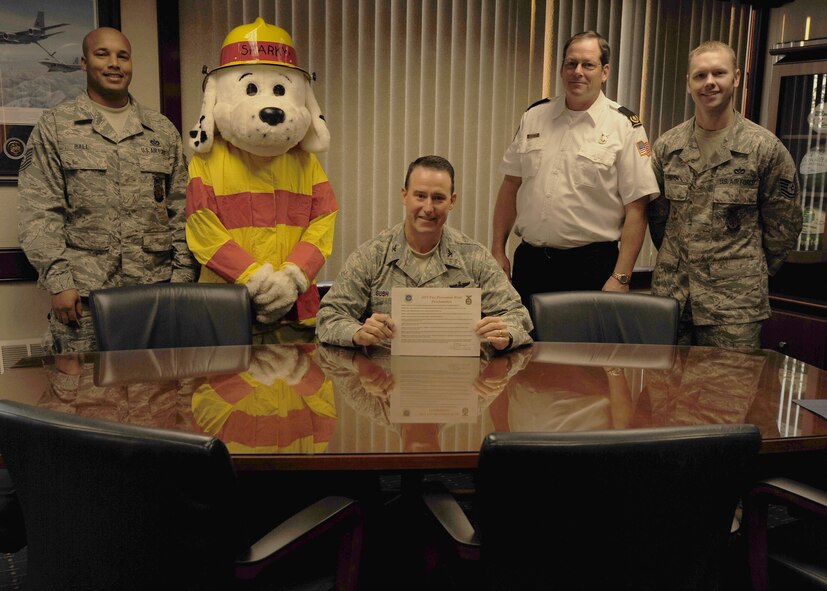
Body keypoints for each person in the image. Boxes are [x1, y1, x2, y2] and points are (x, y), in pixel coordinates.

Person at [17, 27, 196, 353]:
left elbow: (182, 209)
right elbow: (39, 210)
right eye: (103, 54)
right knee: (80, 384)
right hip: (84, 299)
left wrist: (182, 281)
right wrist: (59, 282)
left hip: (155, 293)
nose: (114, 63)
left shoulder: (161, 130)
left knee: (157, 383)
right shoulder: (57, 126)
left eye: (122, 56)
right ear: (84, 63)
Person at [648, 41, 803, 349]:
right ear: (689, 83)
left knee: (730, 381)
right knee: (665, 380)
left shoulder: (764, 148)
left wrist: (744, 270)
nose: (709, 82)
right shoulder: (668, 147)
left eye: (718, 73)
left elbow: (784, 226)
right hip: (673, 298)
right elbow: (658, 218)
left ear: (736, 78)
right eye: (700, 75)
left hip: (734, 306)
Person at [492, 30, 659, 309]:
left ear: (604, 72)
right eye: (571, 63)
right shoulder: (534, 116)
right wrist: (498, 249)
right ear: (561, 69)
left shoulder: (624, 126)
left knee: (583, 339)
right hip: (532, 264)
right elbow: (510, 185)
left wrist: (621, 276)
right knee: (526, 337)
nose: (577, 71)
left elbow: (637, 209)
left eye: (588, 65)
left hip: (590, 267)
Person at [316, 155, 533, 351]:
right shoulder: (372, 256)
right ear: (404, 196)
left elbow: (518, 316)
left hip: (458, 376)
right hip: (385, 375)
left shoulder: (474, 258)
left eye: (438, 198)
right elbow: (329, 317)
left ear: (452, 201)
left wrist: (505, 333)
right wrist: (357, 333)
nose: (428, 208)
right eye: (420, 196)